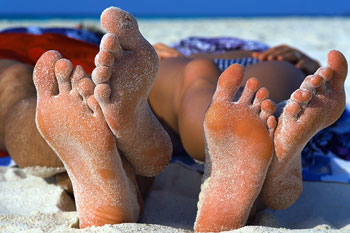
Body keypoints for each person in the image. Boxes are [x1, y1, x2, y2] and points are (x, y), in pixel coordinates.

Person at [0, 6, 347, 232]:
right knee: (234, 96)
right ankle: (268, 166)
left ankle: (140, 144)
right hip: (253, 65)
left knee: (190, 81)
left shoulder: (168, 50)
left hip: (162, 73)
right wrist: (299, 60)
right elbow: (306, 73)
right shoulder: (257, 49)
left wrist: (161, 51)